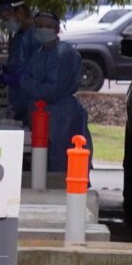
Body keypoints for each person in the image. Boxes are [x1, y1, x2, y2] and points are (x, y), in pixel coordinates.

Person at [19, 11, 91, 172]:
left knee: (61, 164)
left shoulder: (63, 54)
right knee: (43, 165)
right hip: (44, 116)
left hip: (62, 116)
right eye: (39, 26)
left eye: (48, 26)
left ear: (58, 30)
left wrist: (26, 83)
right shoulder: (39, 53)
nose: (43, 29)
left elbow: (52, 91)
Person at [0, 0, 37, 120]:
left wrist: (18, 79)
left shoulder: (35, 36)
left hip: (32, 101)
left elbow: (38, 70)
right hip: (19, 102)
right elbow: (19, 63)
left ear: (21, 12)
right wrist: (8, 71)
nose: (6, 24)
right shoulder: (19, 37)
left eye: (7, 18)